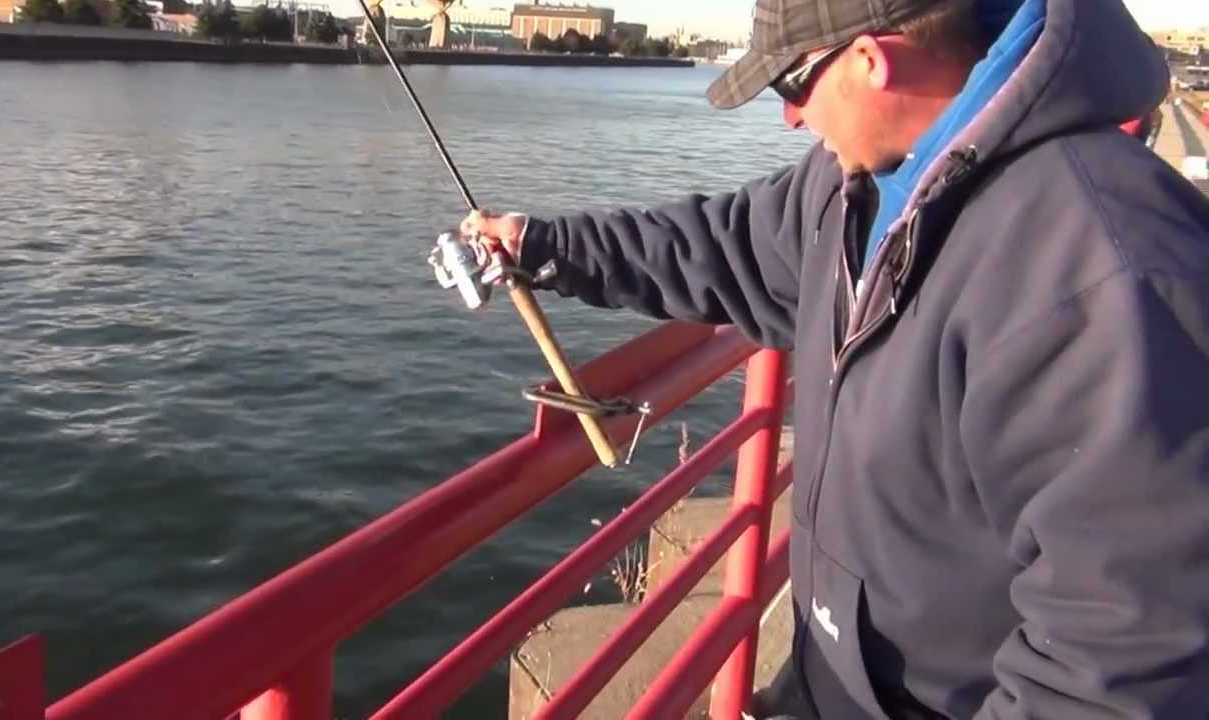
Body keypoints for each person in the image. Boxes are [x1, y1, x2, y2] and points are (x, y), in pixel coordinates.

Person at [462, 0, 1209, 718]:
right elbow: (721, 246)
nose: (789, 116)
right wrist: (544, 247)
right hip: (836, 683)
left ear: (871, 62)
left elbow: (1129, 650)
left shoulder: (1106, 271)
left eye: (793, 84)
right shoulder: (849, 186)